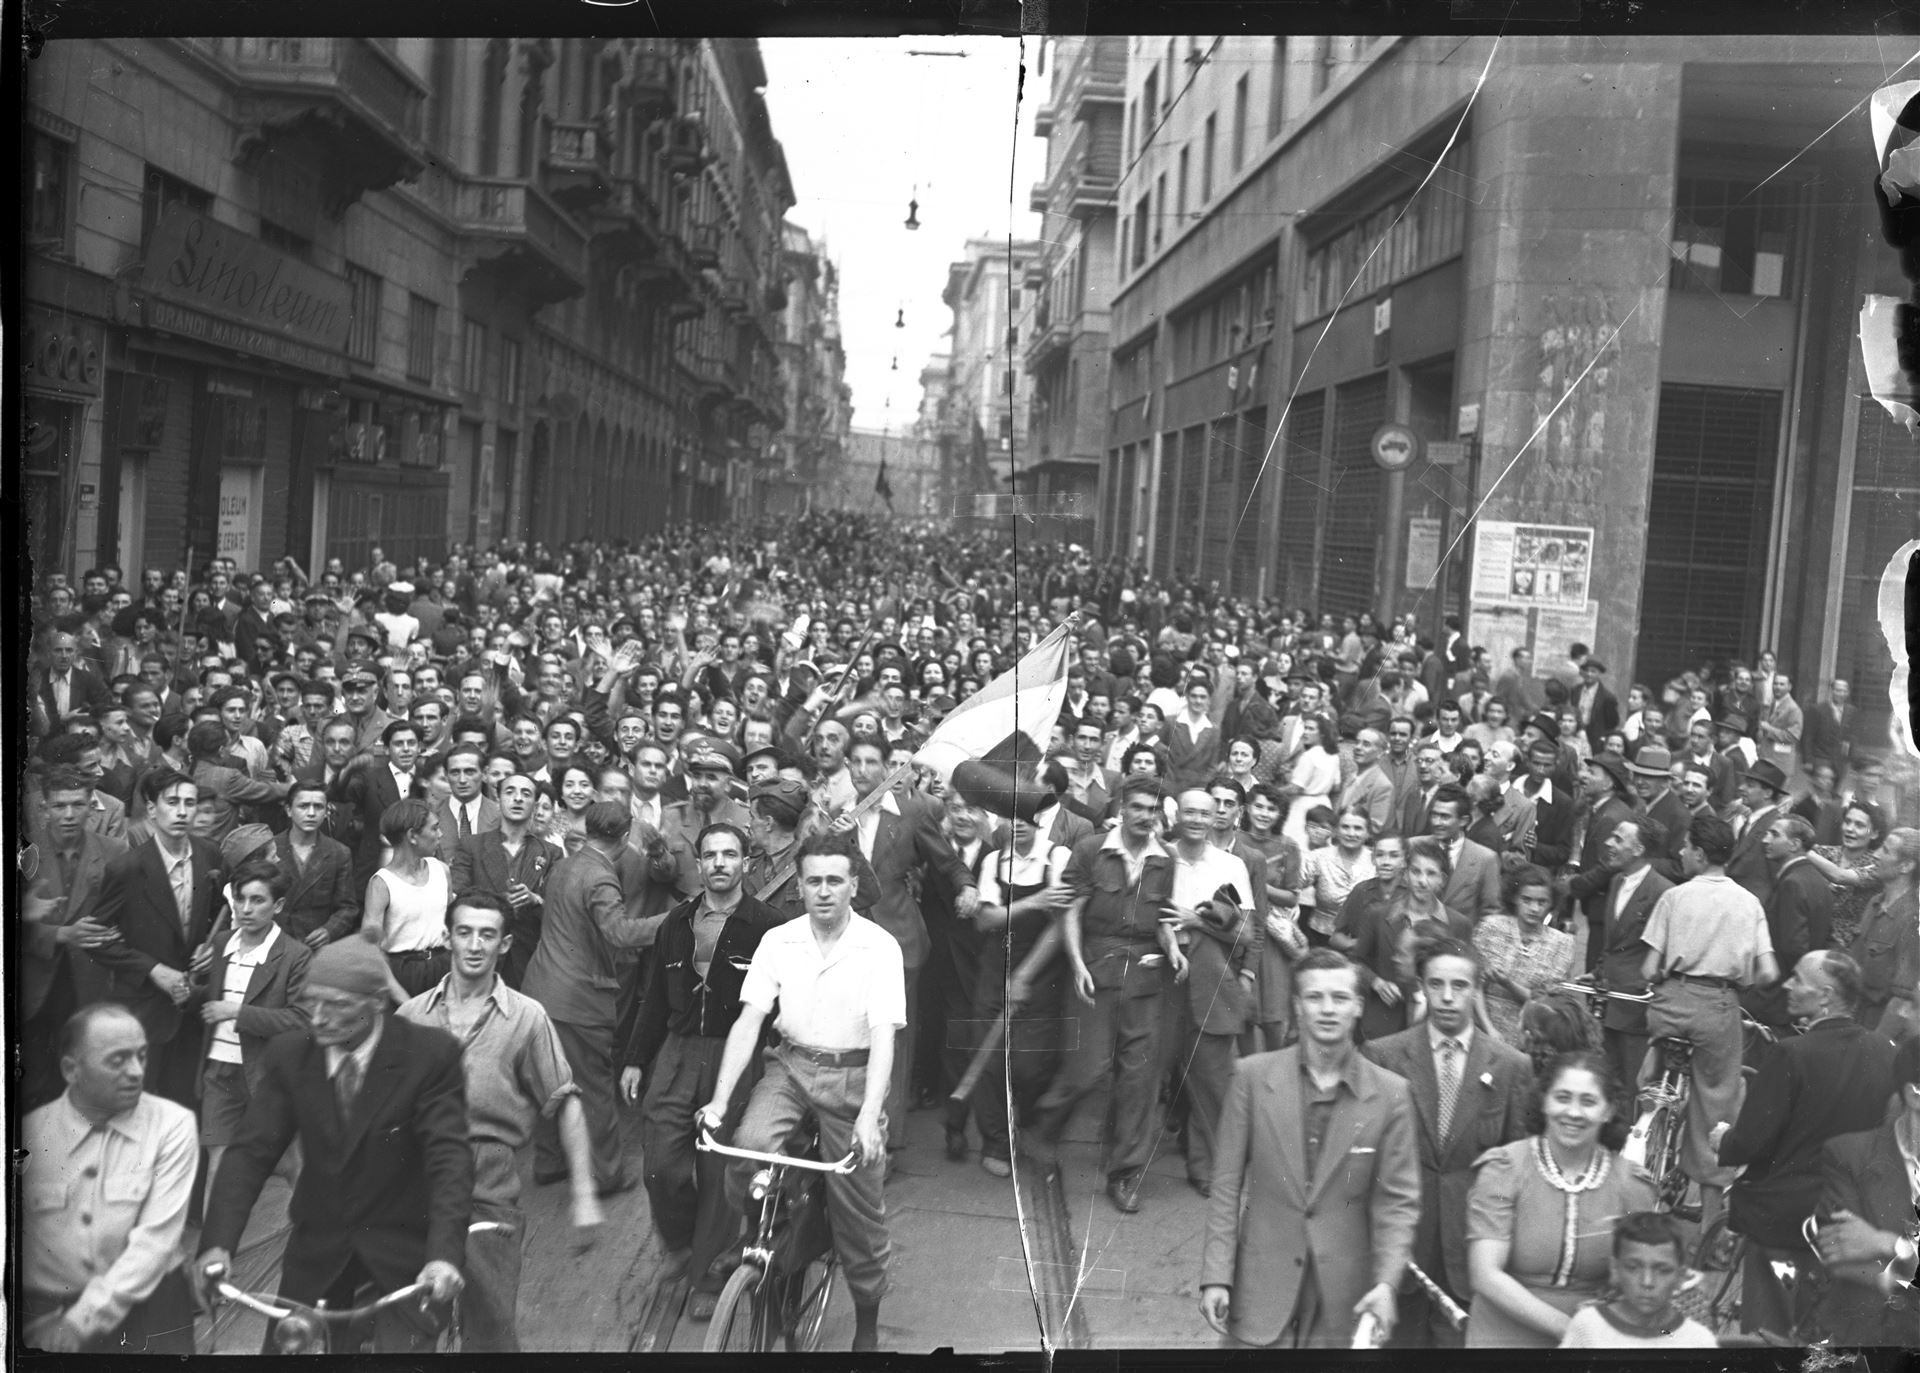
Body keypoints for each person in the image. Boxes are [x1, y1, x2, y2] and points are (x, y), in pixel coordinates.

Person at [195, 939, 472, 1354]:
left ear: (377, 1003)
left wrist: (444, 1256)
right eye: (312, 1003)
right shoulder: (291, 1055)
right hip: (319, 1249)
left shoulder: (428, 1055)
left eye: (337, 1005)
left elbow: (448, 1159)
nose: (318, 1019)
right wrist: (217, 1243)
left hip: (405, 1255)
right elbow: (250, 1154)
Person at [698, 832, 906, 1353]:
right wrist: (720, 1101)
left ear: (854, 886)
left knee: (860, 1218)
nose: (824, 891)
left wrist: (868, 1117)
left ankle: (866, 1323)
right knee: (746, 1144)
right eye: (814, 880)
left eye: (835, 880)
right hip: (790, 1068)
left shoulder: (879, 948)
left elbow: (884, 1039)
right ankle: (757, 1237)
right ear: (801, 885)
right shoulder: (780, 940)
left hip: (853, 1078)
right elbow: (750, 1021)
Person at [396, 891, 603, 1352]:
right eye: (464, 932)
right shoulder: (411, 1015)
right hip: (415, 1176)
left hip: (488, 1180)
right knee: (404, 1325)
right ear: (447, 937)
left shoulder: (527, 1018)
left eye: (487, 935)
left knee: (491, 1327)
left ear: (504, 944)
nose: (474, 945)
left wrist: (584, 1194)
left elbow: (564, 1100)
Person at [1198, 949, 1421, 1348]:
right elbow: (1226, 1184)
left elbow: (1397, 1203)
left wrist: (1386, 1283)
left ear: (1357, 1006)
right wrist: (1217, 1274)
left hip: (1343, 1299)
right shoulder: (1252, 1078)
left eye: (1339, 998)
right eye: (1315, 998)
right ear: (1298, 1007)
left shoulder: (1391, 1095)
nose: (1328, 1009)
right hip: (1260, 1291)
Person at [623, 823, 783, 1321]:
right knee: (660, 1163)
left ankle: (711, 1276)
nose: (719, 863)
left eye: (729, 854)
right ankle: (682, 1244)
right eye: (710, 854)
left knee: (720, 1170)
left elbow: (779, 1004)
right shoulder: (676, 922)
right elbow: (652, 997)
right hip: (677, 1051)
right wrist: (634, 1057)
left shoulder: (770, 925)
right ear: (698, 861)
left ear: (745, 862)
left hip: (736, 1054)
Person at [1705, 949, 1895, 1339]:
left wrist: (1724, 1139)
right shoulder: (1883, 1053)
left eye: (1797, 979)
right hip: (1848, 1225)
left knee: (1766, 1336)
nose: (1787, 985)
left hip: (1782, 1223)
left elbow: (1751, 1143)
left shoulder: (1791, 1053)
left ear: (1824, 996)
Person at [1026, 776, 1186, 1214]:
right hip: (1095, 967)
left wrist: (1172, 947)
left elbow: (1164, 919)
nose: (1144, 817)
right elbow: (1072, 911)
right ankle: (1041, 1131)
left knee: (1140, 1077)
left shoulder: (1165, 860)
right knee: (1087, 1067)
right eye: (1136, 807)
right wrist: (1076, 963)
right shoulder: (1091, 850)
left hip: (1146, 974)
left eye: (1152, 810)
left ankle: (1125, 1173)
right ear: (1122, 807)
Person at [1362, 939, 1534, 1347]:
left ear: (1476, 991)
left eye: (1459, 986)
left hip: (1470, 1251)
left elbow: (1518, 1174)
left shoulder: (1511, 1067)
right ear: (1421, 986)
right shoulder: (1383, 1057)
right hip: (1402, 1250)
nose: (1447, 997)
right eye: (1436, 984)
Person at [21, 1004, 199, 1354]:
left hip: (150, 1307)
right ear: (71, 1069)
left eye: (142, 1056)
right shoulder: (29, 1133)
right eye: (117, 1060)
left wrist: (80, 1321)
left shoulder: (172, 1125)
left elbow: (155, 1242)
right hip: (47, 1309)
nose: (136, 1071)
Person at [1638, 814, 1778, 1229]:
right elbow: (1768, 973)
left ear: (1699, 854)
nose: (1682, 853)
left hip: (1671, 1005)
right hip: (1718, 1008)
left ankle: (1645, 1112)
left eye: (1686, 848)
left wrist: (1668, 973)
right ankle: (1710, 1226)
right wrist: (1740, 978)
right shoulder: (1748, 902)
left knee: (1649, 1073)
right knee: (1716, 1108)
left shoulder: (1675, 898)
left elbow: (1648, 968)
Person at [1464, 1050, 1659, 1347]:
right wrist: (1566, 1327)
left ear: (1608, 1110)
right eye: (1563, 1097)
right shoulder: (1504, 1171)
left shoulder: (1631, 1185)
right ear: (1544, 1101)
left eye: (1589, 1101)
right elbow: (1485, 1273)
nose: (1574, 1113)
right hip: (1503, 1336)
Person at [522, 801, 662, 1195]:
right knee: (595, 1087)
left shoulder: (565, 864)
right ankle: (607, 1174)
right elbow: (619, 934)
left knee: (551, 1081)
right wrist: (673, 919)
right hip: (579, 998)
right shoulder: (600, 876)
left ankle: (550, 1161)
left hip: (540, 990)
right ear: (624, 835)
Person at [88, 767, 228, 1107]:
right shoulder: (127, 868)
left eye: (190, 803)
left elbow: (225, 915)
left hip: (192, 1005)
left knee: (183, 1104)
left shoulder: (210, 855)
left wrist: (217, 945)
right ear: (152, 809)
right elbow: (98, 939)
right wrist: (152, 970)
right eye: (172, 802)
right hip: (143, 1007)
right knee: (138, 1101)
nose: (182, 812)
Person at [189, 860, 314, 1191]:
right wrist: (188, 993)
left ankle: (310, 1234)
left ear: (279, 905)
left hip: (267, 1074)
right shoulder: (222, 944)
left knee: (291, 1163)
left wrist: (235, 1012)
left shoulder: (294, 954)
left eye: (258, 900)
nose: (246, 909)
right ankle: (216, 1242)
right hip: (220, 1071)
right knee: (219, 1161)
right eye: (241, 899)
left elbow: (301, 1019)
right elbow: (216, 995)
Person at [19, 766, 124, 1111]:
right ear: (44, 807)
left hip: (88, 982)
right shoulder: (22, 853)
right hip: (31, 984)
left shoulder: (114, 852)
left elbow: (128, 918)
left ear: (90, 806)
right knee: (30, 1080)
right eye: (59, 805)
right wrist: (60, 933)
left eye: (77, 805)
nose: (68, 814)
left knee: (82, 1078)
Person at [1811, 1034, 1920, 1347]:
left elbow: (1867, 1260)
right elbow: (1840, 1257)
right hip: (1869, 1340)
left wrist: (1885, 1243)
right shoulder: (1850, 1155)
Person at [450, 771, 565, 989]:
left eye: (526, 794)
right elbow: (458, 897)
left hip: (530, 957)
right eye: (510, 792)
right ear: (498, 799)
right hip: (481, 953)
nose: (518, 798)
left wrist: (536, 900)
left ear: (534, 804)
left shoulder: (551, 853)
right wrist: (496, 903)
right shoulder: (472, 845)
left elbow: (559, 908)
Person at [1590, 816, 1673, 1085]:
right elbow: (1614, 946)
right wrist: (1598, 973)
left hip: (1635, 1009)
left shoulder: (1663, 892)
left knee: (1630, 1087)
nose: (1608, 843)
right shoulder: (1616, 881)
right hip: (1606, 1001)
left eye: (1618, 839)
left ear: (1638, 850)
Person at [1556, 1212, 1717, 1348]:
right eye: (1633, 1268)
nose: (1647, 1282)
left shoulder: (1698, 1342)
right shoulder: (1589, 1328)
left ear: (1680, 1276)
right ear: (1615, 1269)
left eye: (1663, 1271)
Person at [1743, 816, 1834, 1034]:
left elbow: (1794, 947)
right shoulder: (1818, 880)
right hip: (1793, 1000)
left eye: (1774, 834)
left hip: (1777, 1001)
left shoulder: (1792, 882)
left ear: (1795, 844)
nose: (1765, 840)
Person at [1474, 864, 1578, 1047]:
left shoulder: (1561, 944)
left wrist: (1508, 983)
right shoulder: (1490, 928)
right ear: (1514, 899)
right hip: (1483, 1028)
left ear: (1551, 904)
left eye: (1541, 902)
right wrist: (1488, 1029)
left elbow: (1549, 1002)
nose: (1534, 908)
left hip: (1533, 1036)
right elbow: (1473, 987)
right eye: (1527, 900)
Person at [360, 798, 454, 998]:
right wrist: (401, 998)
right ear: (412, 835)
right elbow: (370, 949)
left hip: (443, 969)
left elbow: (453, 924)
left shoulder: (441, 870)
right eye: (434, 828)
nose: (440, 834)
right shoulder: (381, 884)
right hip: (402, 974)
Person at [272, 779, 360, 948]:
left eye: (318, 807)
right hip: (274, 944)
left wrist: (329, 931)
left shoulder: (339, 853)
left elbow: (347, 907)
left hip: (312, 947)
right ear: (289, 810)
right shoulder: (270, 848)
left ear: (326, 812)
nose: (311, 813)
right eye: (303, 806)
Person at [1848, 829, 1920, 1032]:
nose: (1876, 854)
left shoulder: (1913, 919)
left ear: (1906, 866)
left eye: (1886, 851)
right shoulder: (1874, 903)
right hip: (1856, 1020)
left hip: (1879, 1028)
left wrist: (1875, 1046)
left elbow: (1902, 1000)